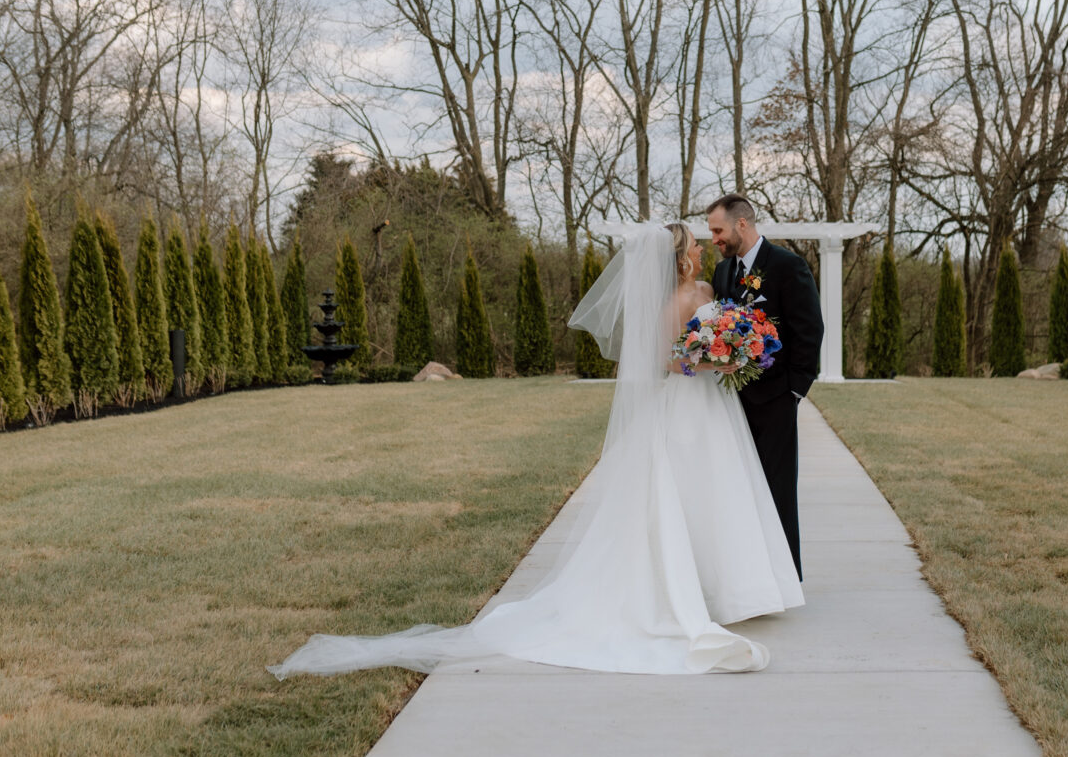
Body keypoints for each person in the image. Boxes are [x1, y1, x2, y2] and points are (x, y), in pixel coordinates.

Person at [268, 222, 803, 678]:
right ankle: (681, 590)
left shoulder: (709, 289)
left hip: (713, 411)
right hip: (686, 406)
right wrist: (713, 361)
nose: (699, 250)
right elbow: (665, 359)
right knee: (679, 494)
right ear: (678, 257)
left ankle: (726, 589)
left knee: (718, 492)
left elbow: (725, 332)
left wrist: (736, 350)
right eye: (692, 244)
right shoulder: (668, 302)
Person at [706, 194, 824, 580]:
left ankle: (784, 575)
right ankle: (748, 575)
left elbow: (809, 330)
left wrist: (795, 390)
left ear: (742, 224)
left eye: (718, 230)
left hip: (775, 399)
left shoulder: (788, 266)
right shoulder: (724, 272)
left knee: (776, 488)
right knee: (738, 488)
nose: (714, 239)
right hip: (731, 402)